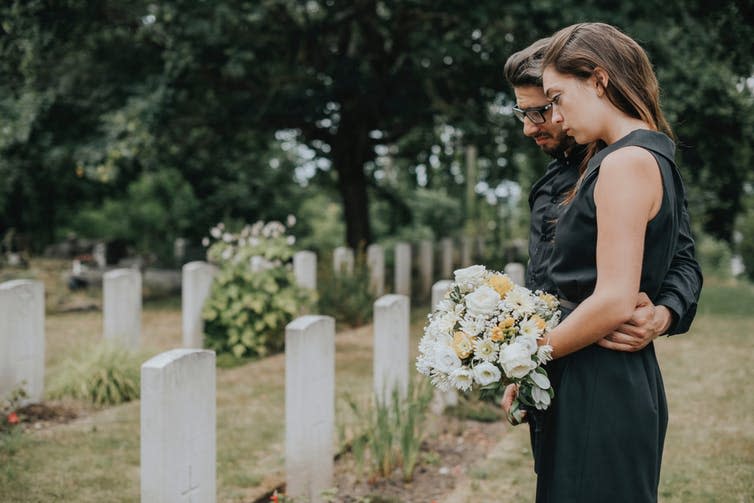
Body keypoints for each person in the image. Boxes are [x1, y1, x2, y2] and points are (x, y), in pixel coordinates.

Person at [501, 23, 703, 502]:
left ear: (598, 80)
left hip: (601, 371)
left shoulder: (624, 162)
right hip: (577, 367)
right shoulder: (629, 158)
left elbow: (614, 299)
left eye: (552, 102)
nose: (546, 120)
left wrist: (523, 361)